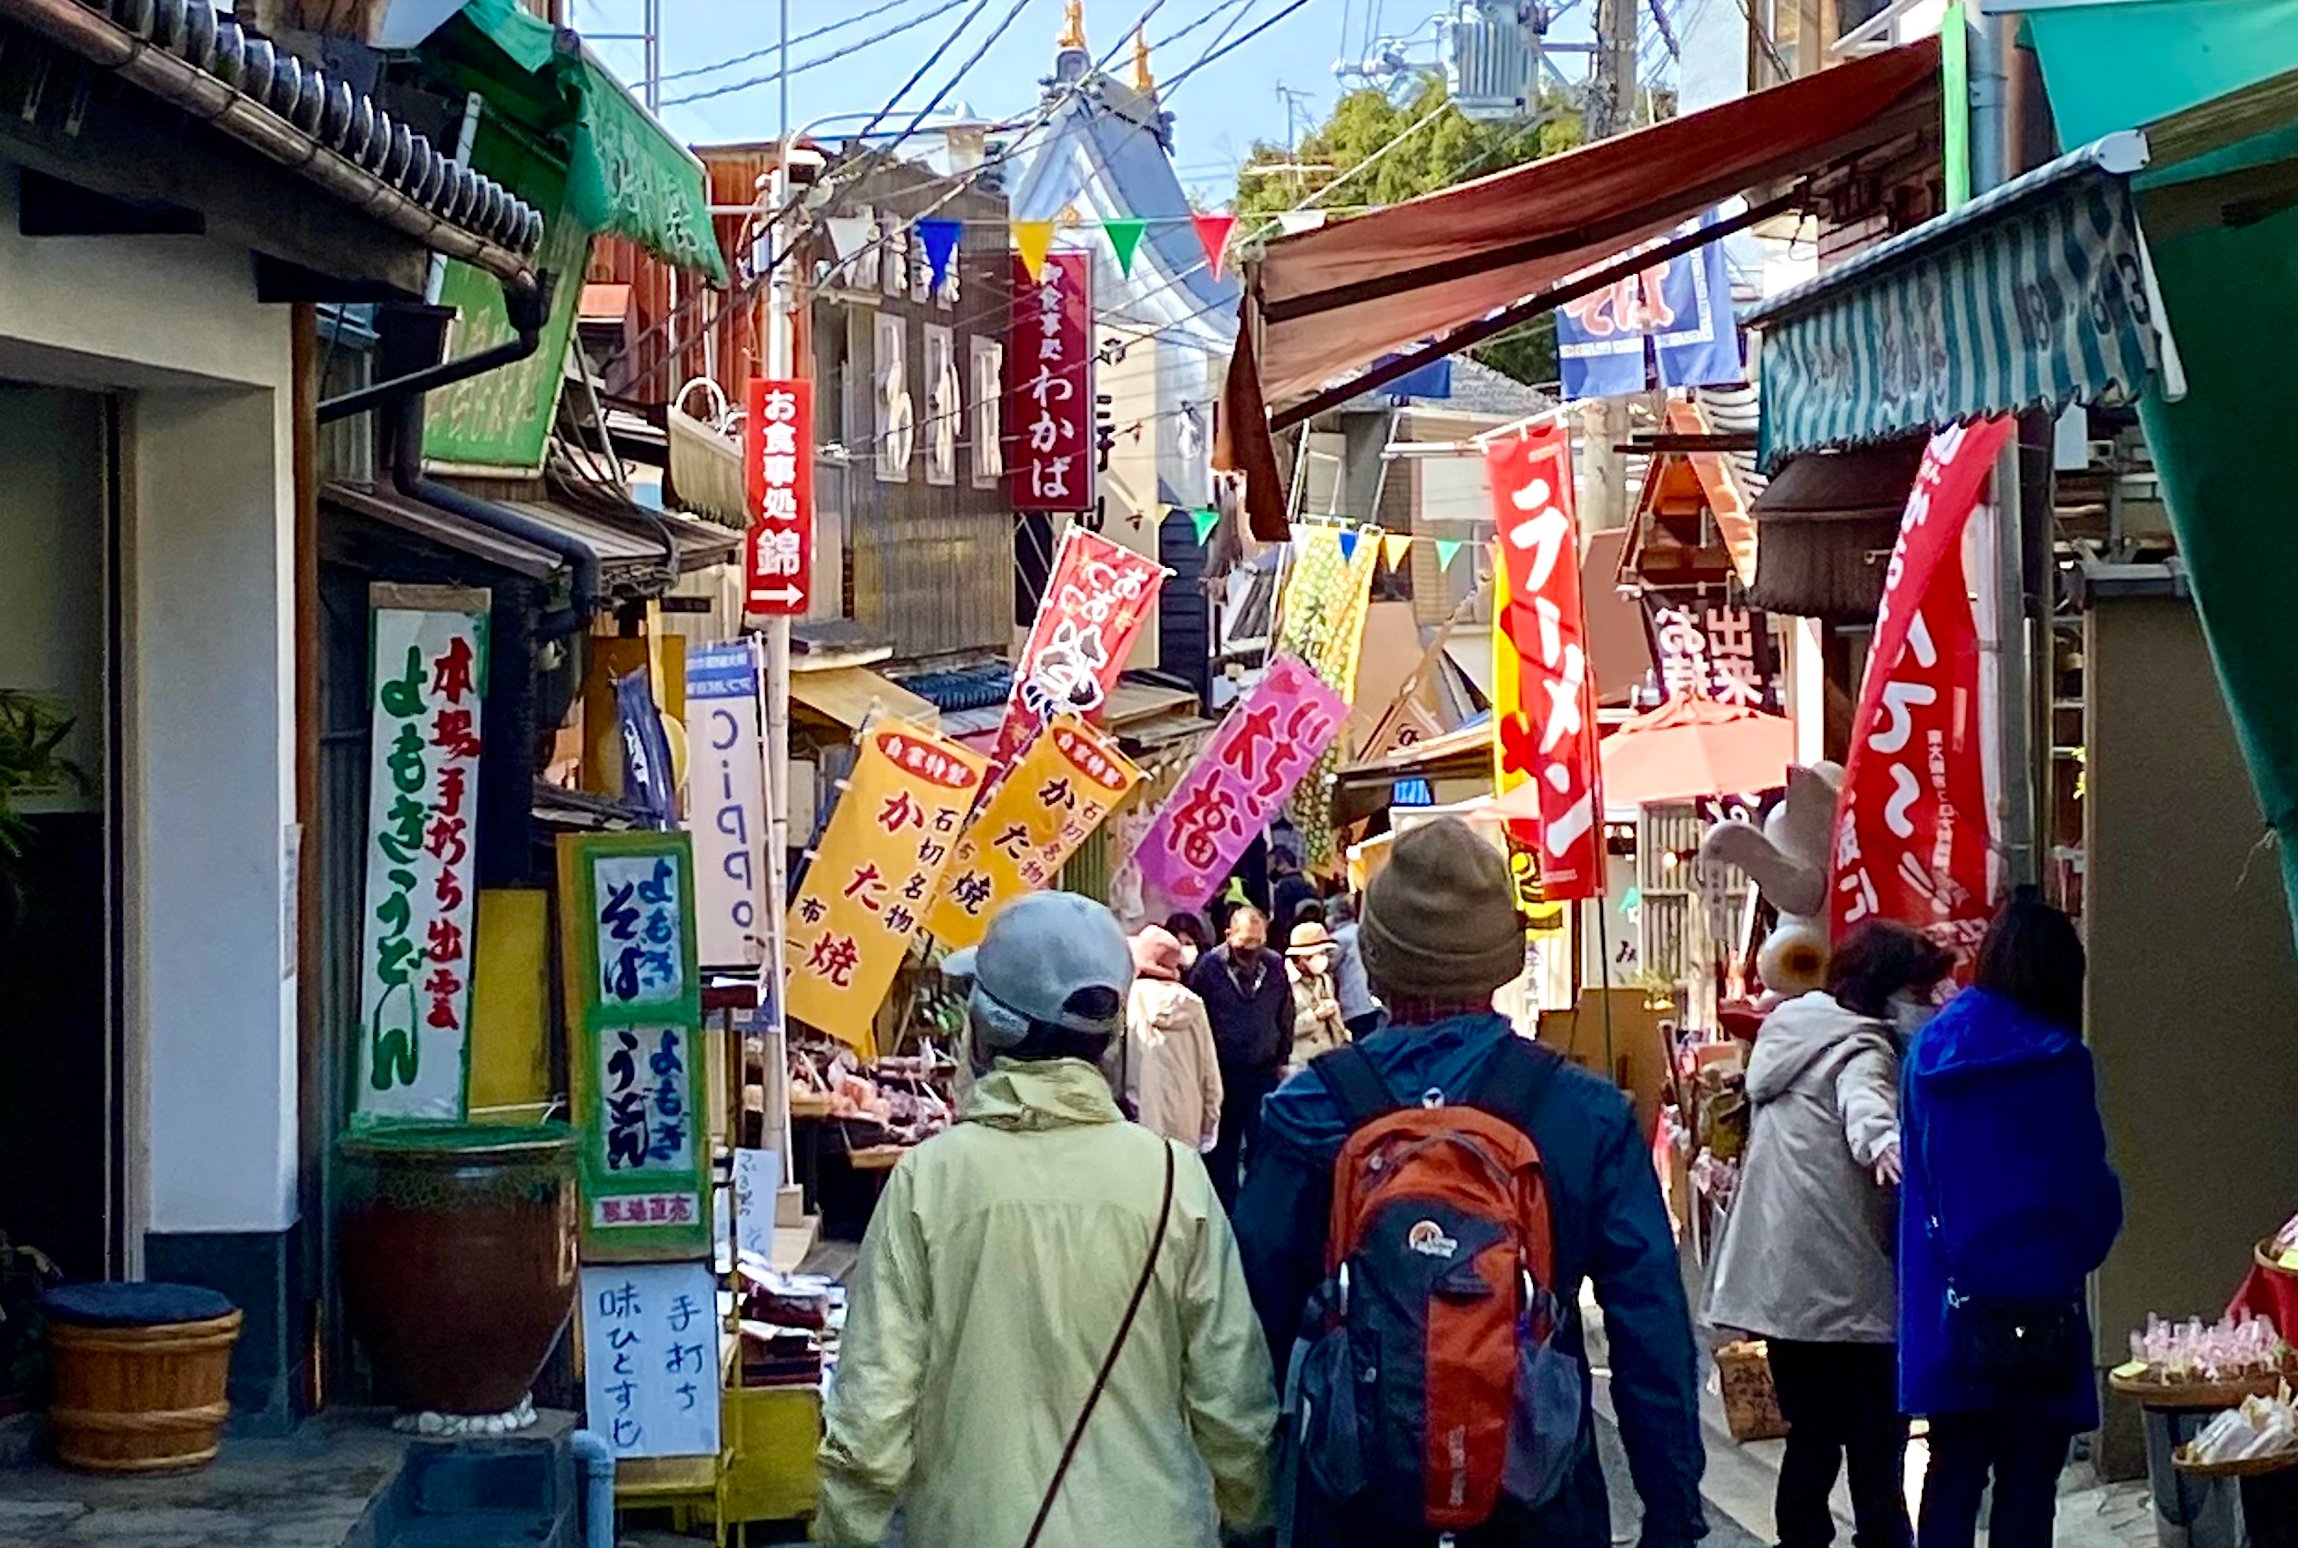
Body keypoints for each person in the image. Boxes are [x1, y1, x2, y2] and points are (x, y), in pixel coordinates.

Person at [1235, 818, 1708, 1548]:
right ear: (1507, 961)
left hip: (1354, 1499)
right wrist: (1672, 1512)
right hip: (1536, 1491)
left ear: (1373, 956)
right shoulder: (1583, 1114)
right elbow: (1651, 1326)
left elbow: (1252, 1325)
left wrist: (1249, 1510)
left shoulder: (1309, 1110)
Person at [816, 892, 1275, 1548]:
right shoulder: (1175, 1180)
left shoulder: (930, 1180)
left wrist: (845, 1532)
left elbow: (871, 1416)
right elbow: (1234, 1406)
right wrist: (1250, 1511)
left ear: (985, 1028)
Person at [1705, 921, 1955, 1548]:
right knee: (1876, 1449)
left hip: (1784, 1290)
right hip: (1844, 1284)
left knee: (1810, 1441)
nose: (1926, 1005)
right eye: (1919, 992)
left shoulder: (1790, 1033)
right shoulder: (1863, 1048)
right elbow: (1863, 1106)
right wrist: (1887, 1146)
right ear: (1885, 989)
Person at [1901, 891, 2122, 1548]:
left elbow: (1917, 1180)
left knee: (1952, 1474)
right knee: (2028, 1490)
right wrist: (2078, 1246)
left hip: (1949, 1309)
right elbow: (2084, 1187)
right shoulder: (2057, 1060)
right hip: (2041, 1309)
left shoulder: (1928, 1054)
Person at [1188, 904, 1294, 1209]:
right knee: (1223, 1147)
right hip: (1223, 1069)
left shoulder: (1273, 965)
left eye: (1257, 943)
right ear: (1228, 936)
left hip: (1263, 1068)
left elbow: (1285, 1012)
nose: (1251, 952)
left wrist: (1282, 1056)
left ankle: (1260, 1209)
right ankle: (1225, 1210)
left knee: (1263, 1143)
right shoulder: (1209, 967)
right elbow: (1198, 1015)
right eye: (1244, 944)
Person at [1125, 926, 1224, 1154]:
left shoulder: (1130, 999)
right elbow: (1210, 1071)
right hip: (1187, 1121)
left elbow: (1113, 1064)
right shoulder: (1194, 1005)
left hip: (1139, 1120)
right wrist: (1208, 1125)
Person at [1282, 920, 1349, 1073]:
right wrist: (1315, 1016)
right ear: (1299, 957)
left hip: (1329, 1059)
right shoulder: (1282, 982)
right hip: (1299, 1064)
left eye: (1324, 953)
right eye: (1316, 954)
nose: (1322, 958)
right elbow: (1282, 1031)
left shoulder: (1325, 979)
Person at [1324, 895, 1380, 1040]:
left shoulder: (1339, 939)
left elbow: (1327, 966)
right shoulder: (1363, 930)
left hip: (1354, 1002)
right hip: (1372, 999)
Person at [1270, 844, 1318, 938]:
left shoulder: (1283, 885)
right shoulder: (1307, 879)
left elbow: (1281, 917)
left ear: (1282, 864)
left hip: (1293, 934)